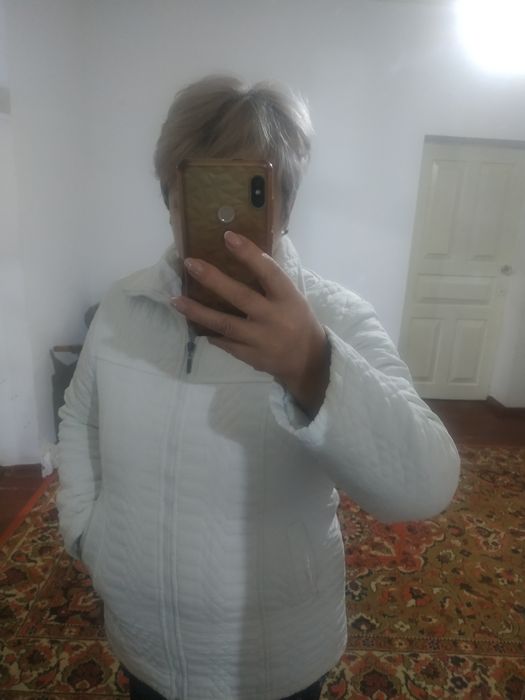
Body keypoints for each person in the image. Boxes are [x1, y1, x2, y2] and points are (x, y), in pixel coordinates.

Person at [56, 75, 461, 700]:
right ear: (169, 197)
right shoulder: (121, 306)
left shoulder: (336, 318)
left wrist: (313, 364)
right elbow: (81, 418)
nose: (223, 226)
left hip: (279, 661)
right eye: (197, 193)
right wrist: (87, 533)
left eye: (246, 194)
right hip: (143, 645)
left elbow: (426, 485)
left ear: (285, 205)